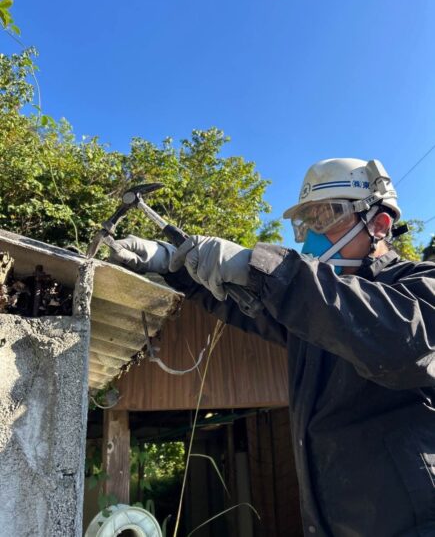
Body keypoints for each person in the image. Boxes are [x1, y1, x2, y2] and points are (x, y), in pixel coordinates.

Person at [110, 158, 435, 537]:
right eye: (307, 223)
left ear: (379, 224)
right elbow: (251, 305)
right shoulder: (310, 312)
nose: (313, 236)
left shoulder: (419, 285)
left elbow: (400, 340)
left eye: (328, 216)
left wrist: (258, 266)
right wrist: (173, 265)